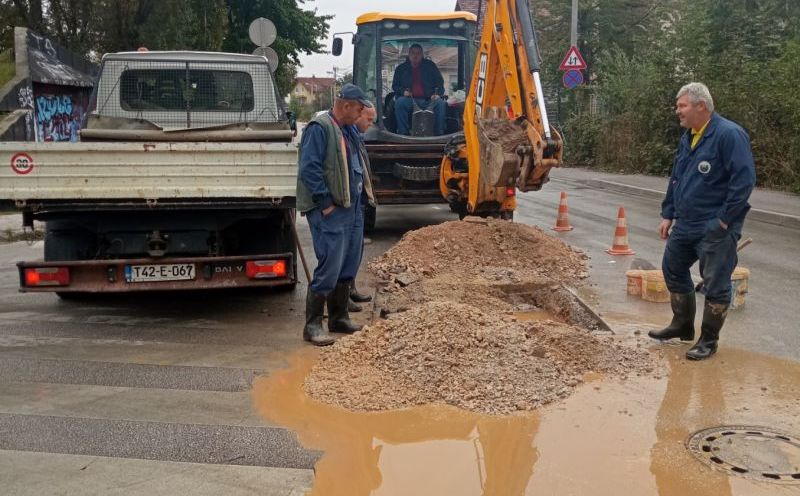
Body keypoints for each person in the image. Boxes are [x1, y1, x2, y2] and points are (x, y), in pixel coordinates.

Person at [649, 82, 756, 360]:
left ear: (701, 106)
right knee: (672, 268)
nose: (677, 111)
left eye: (682, 106)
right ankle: (682, 325)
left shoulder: (729, 135)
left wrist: (723, 221)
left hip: (715, 226)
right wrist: (668, 213)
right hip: (685, 222)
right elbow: (677, 177)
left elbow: (744, 181)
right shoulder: (689, 137)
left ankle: (708, 339)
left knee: (716, 282)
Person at [296, 83, 374, 346]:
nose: (361, 112)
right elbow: (310, 168)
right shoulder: (320, 128)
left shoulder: (349, 129)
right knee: (330, 265)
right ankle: (312, 325)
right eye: (359, 108)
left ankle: (338, 317)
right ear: (345, 105)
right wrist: (325, 202)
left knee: (348, 264)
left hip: (351, 208)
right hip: (331, 210)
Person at [347, 106, 378, 311]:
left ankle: (350, 289)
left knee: (355, 251)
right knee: (343, 254)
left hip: (358, 200)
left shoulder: (356, 135)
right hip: (346, 203)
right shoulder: (341, 133)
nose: (370, 124)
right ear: (357, 115)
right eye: (368, 119)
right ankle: (341, 302)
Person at [391, 43, 447, 136]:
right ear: (409, 54)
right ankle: (403, 133)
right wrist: (403, 91)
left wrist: (438, 94)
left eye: (418, 53)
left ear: (422, 55)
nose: (415, 56)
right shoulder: (401, 69)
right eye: (413, 53)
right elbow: (395, 85)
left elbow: (440, 83)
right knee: (399, 103)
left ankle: (439, 134)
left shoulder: (431, 66)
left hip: (429, 99)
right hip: (410, 100)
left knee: (440, 103)